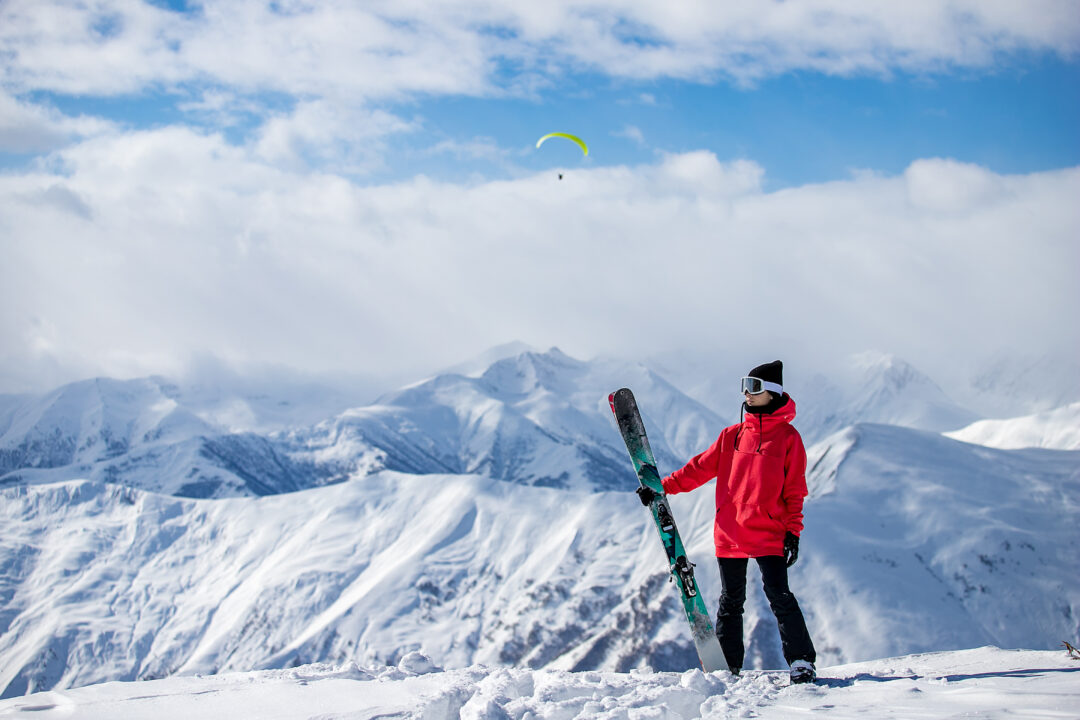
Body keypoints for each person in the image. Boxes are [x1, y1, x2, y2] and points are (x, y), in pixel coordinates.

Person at [636, 360, 817, 684]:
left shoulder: (788, 439)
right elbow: (698, 469)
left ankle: (801, 661)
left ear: (773, 393)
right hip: (730, 532)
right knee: (730, 600)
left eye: (755, 387)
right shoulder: (731, 436)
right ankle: (729, 666)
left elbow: (794, 491)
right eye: (745, 385)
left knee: (779, 596)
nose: (747, 393)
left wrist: (793, 531)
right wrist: (661, 489)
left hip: (769, 532)